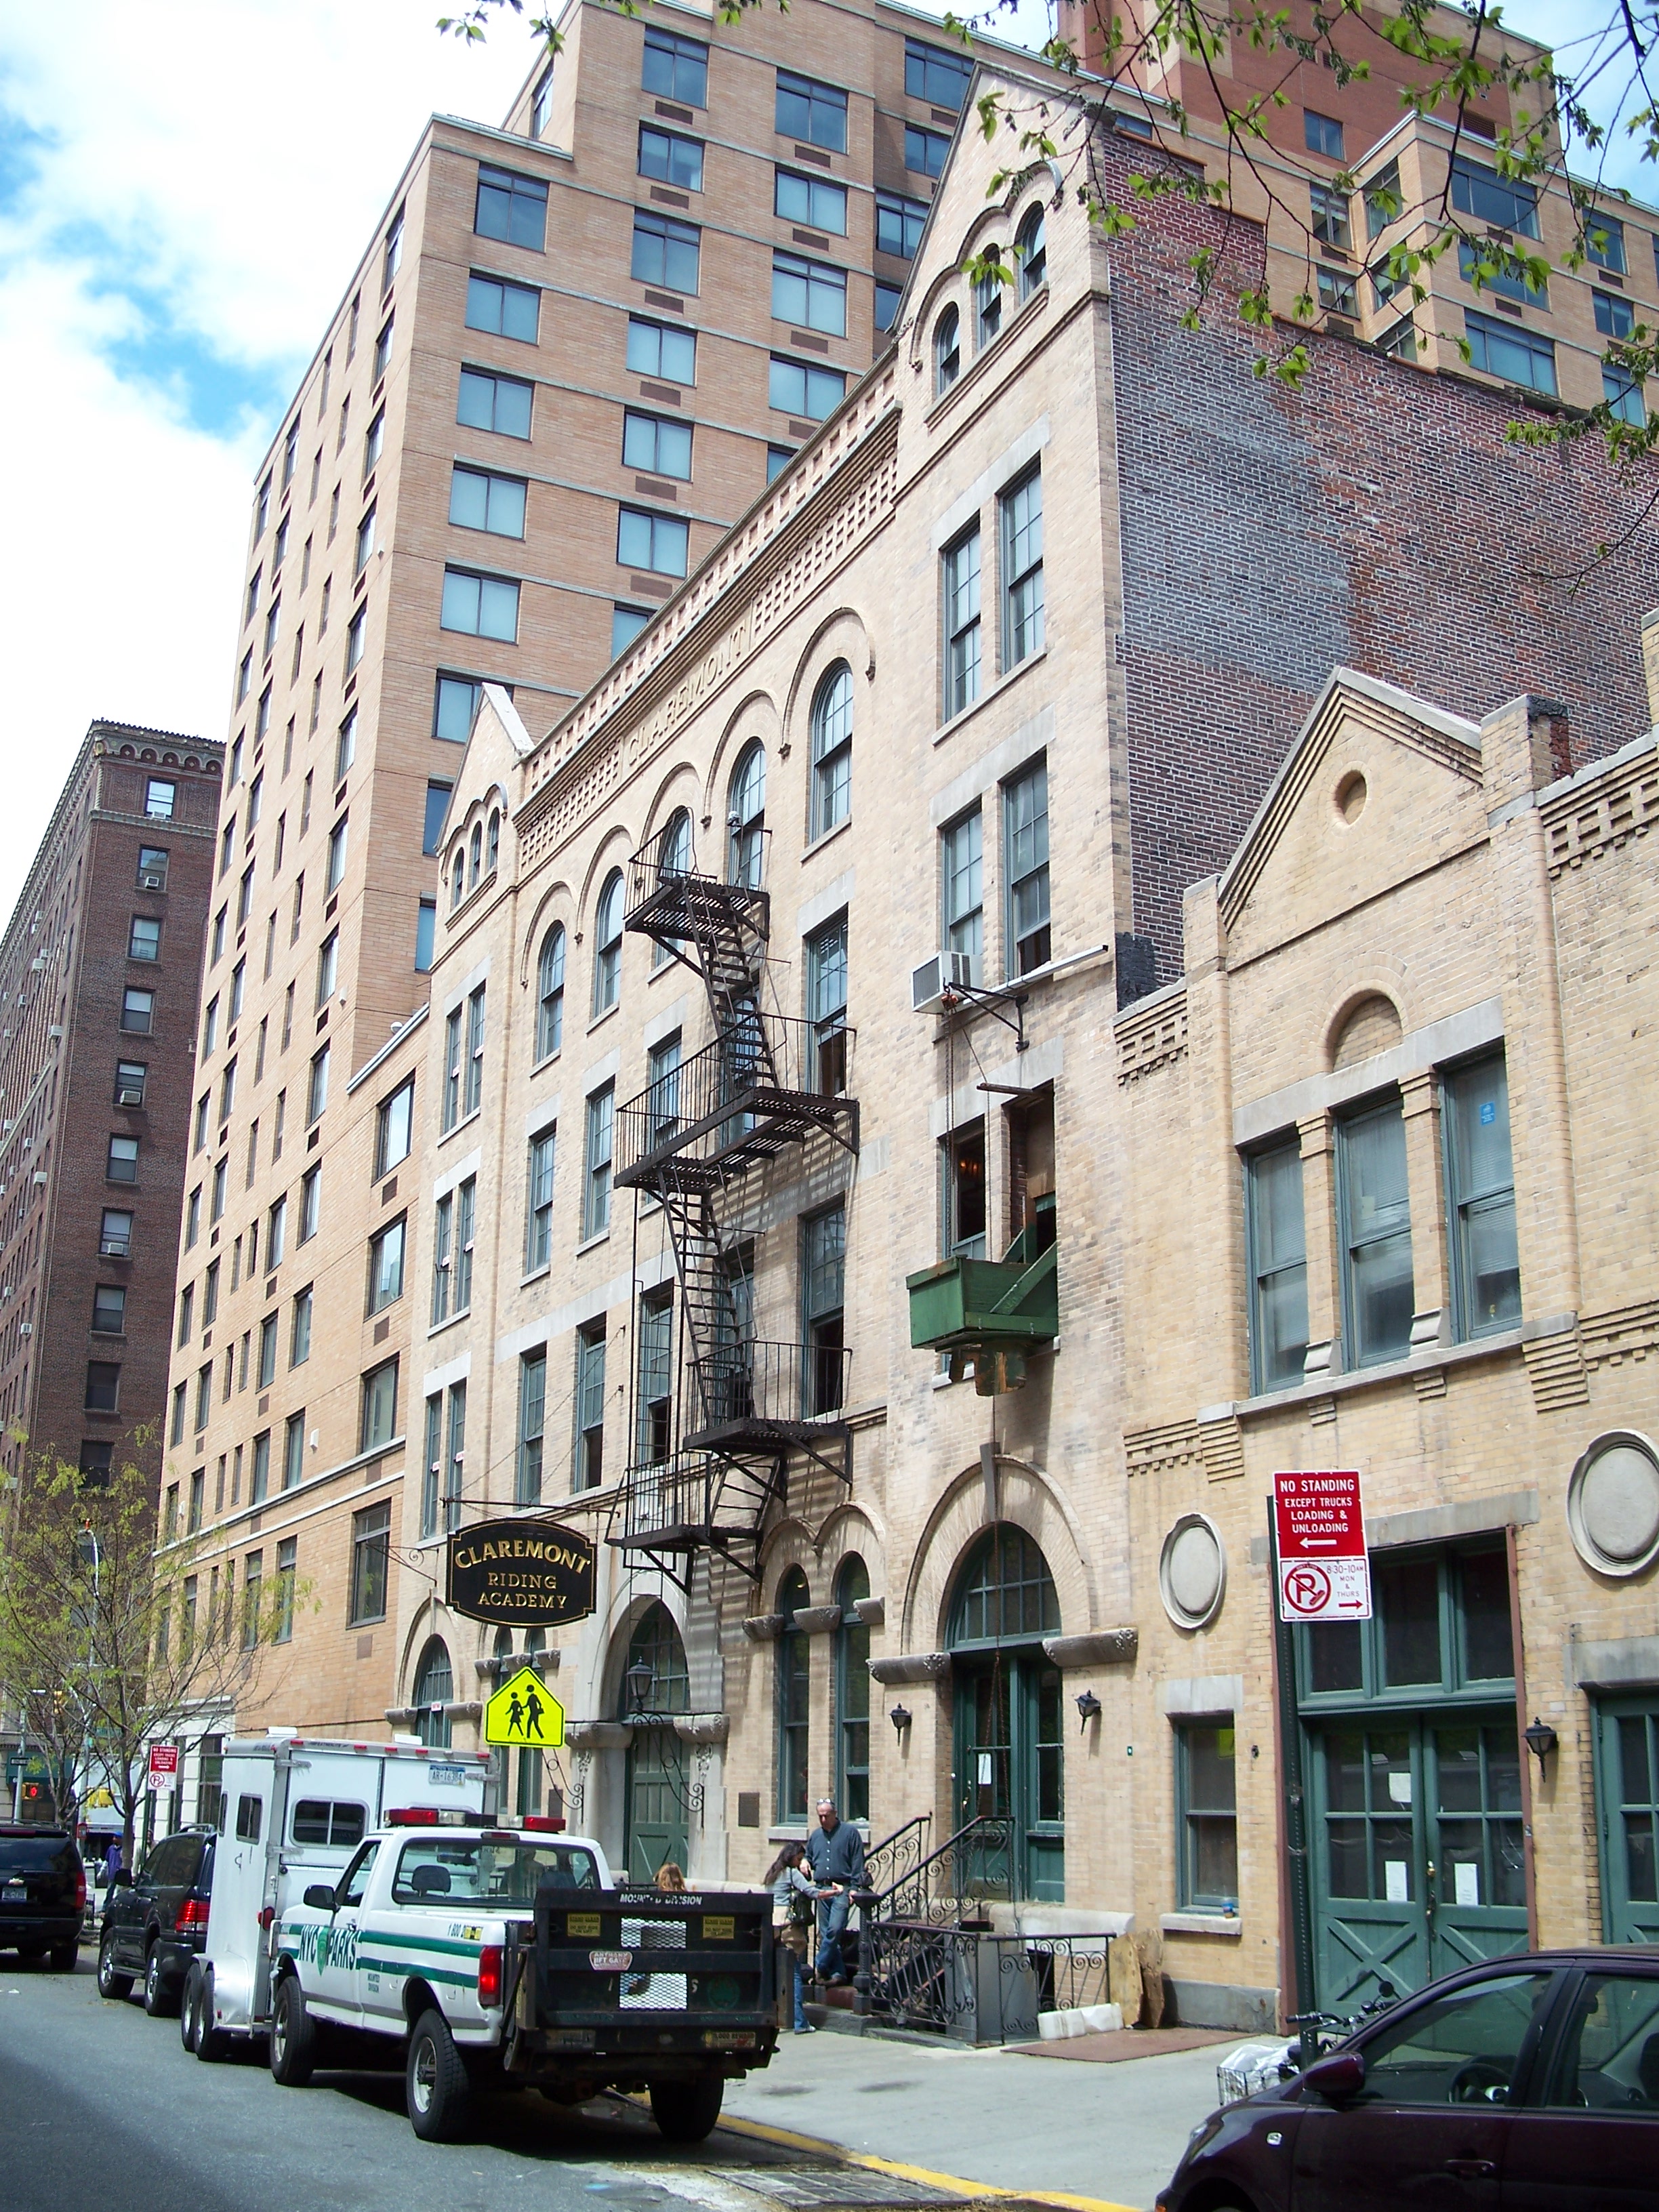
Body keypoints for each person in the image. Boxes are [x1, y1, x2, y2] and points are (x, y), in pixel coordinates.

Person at [804, 1795, 865, 1984]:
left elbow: (858, 1862)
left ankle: (820, 1965)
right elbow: (809, 1856)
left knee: (835, 1929)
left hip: (841, 1888)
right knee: (825, 1933)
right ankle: (838, 1973)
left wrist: (854, 1888)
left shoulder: (850, 1833)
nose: (823, 1820)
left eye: (827, 1815)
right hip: (822, 1889)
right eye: (820, 1816)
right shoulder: (816, 1836)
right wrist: (805, 1862)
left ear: (835, 1814)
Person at [765, 1841, 820, 2033]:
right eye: (799, 1858)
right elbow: (810, 1891)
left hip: (772, 1925)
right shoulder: (791, 1873)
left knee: (776, 1972)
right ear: (792, 1857)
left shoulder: (773, 1873)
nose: (800, 1862)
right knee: (795, 1973)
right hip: (788, 1928)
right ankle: (799, 2022)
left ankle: (777, 2017)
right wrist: (833, 1893)